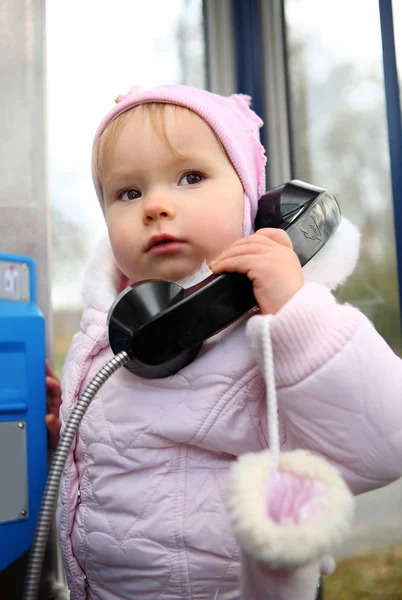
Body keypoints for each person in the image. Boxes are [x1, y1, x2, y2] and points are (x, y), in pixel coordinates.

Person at [50, 84, 402, 600]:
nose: (156, 206)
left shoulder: (265, 334)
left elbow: (387, 441)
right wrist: (64, 434)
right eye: (129, 192)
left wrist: (298, 319)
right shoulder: (109, 334)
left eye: (190, 177)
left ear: (249, 202)